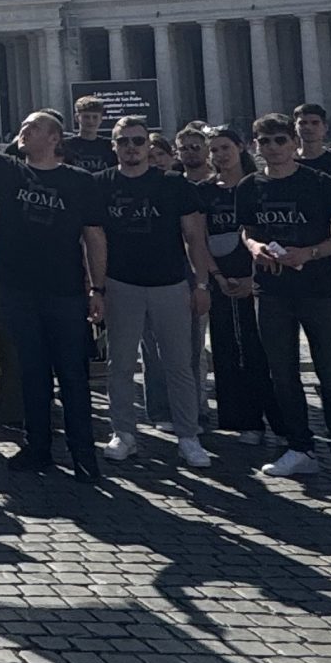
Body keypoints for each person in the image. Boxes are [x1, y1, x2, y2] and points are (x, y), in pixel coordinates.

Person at [0, 70, 109, 482]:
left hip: (65, 290)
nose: (23, 131)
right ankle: (38, 448)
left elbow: (95, 238)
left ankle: (84, 455)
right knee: (30, 371)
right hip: (15, 287)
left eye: (33, 127)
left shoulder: (80, 182)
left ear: (54, 139)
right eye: (24, 126)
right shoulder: (9, 170)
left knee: (73, 373)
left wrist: (98, 287)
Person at [238, 113, 331, 490]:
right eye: (264, 142)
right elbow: (248, 231)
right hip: (271, 290)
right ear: (255, 147)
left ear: (293, 144)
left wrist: (309, 253)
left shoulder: (320, 183)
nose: (272, 148)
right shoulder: (249, 186)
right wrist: (255, 247)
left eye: (279, 140)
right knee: (282, 373)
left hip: (318, 289)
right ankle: (300, 448)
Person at [98, 115, 214, 468]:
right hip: (121, 283)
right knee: (119, 363)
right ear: (114, 146)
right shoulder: (100, 184)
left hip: (170, 283)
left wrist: (201, 283)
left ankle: (188, 435)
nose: (131, 148)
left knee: (180, 363)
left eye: (137, 141)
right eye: (123, 142)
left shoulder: (175, 184)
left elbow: (195, 238)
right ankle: (123, 432)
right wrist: (96, 288)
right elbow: (94, 240)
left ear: (149, 145)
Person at [197, 127, 269, 439]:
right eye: (214, 150)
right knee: (225, 347)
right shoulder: (204, 190)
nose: (220, 155)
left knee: (260, 348)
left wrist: (253, 277)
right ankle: (239, 419)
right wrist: (216, 277)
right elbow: (198, 238)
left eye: (225, 147)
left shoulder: (259, 186)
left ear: (240, 148)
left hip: (259, 273)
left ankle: (270, 416)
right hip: (220, 275)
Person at [59, 96, 115, 174]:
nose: (91, 121)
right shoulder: (65, 145)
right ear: (77, 118)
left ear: (101, 119)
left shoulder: (110, 146)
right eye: (86, 117)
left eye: (95, 117)